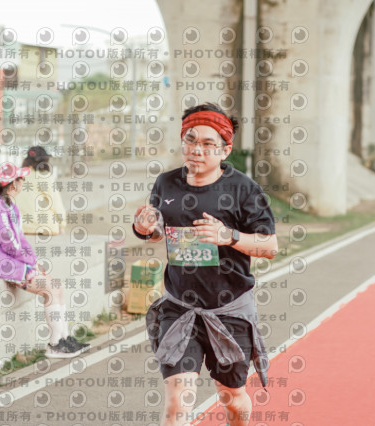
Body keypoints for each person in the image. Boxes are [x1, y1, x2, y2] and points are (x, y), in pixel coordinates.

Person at [133, 103, 278, 426]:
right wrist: (145, 228)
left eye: (208, 144)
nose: (197, 150)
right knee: (177, 403)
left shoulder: (243, 189)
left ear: (225, 150)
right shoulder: (166, 183)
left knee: (232, 398)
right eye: (190, 140)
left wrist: (228, 236)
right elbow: (158, 230)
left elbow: (270, 246)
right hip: (179, 308)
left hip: (229, 311)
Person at [0, 163, 89, 358]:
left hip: (11, 260)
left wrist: (33, 260)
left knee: (57, 286)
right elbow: (9, 243)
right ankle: (55, 344)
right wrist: (30, 262)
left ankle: (64, 338)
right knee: (49, 289)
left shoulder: (9, 206)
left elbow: (20, 239)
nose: (23, 182)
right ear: (13, 184)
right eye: (21, 179)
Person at [14, 146, 67, 235]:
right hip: (44, 226)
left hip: (19, 226)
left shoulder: (17, 176)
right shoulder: (44, 177)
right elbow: (56, 203)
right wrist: (62, 225)